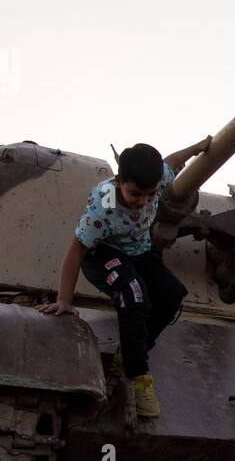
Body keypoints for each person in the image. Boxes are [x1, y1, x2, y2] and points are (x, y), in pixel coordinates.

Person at [35, 139, 209, 418]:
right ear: (119, 181)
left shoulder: (156, 180)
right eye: (136, 194)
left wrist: (200, 147)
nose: (144, 201)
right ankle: (137, 374)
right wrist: (64, 300)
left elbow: (172, 163)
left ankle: (129, 351)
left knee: (172, 294)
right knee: (134, 294)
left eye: (151, 195)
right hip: (102, 255)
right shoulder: (102, 208)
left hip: (139, 251)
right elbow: (76, 251)